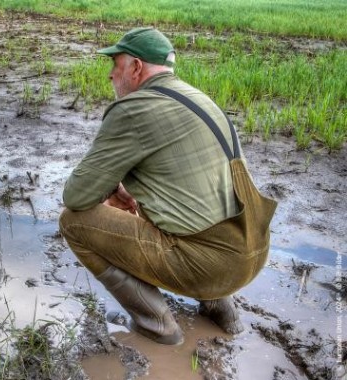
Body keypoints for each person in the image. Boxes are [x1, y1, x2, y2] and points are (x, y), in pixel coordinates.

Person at [59, 27, 277, 345]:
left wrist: (107, 190)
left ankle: (158, 327)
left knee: (72, 222)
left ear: (135, 67)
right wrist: (128, 192)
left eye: (115, 65)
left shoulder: (135, 109)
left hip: (212, 266)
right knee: (157, 198)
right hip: (253, 252)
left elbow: (76, 195)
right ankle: (220, 309)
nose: (110, 75)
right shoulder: (197, 98)